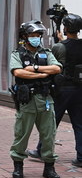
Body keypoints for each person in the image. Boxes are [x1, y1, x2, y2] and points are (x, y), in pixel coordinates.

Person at [9, 20, 61, 178]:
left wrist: (35, 69)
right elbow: (18, 72)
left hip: (45, 99)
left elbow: (57, 68)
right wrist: (41, 75)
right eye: (32, 35)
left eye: (38, 35)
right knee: (22, 134)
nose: (36, 38)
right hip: (27, 101)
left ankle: (49, 168)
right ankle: (18, 166)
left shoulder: (46, 52)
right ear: (25, 37)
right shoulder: (17, 54)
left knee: (48, 135)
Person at [26, 14, 82, 167]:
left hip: (62, 90)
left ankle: (41, 151)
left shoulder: (59, 46)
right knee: (79, 123)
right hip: (79, 90)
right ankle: (81, 157)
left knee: (51, 121)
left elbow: (54, 60)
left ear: (66, 28)